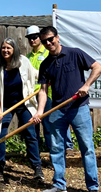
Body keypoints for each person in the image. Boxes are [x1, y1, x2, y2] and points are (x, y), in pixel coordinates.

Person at [30, 26, 101, 192]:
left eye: (51, 39)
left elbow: (97, 68)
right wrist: (40, 111)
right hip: (58, 110)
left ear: (57, 37)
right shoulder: (46, 64)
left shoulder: (75, 54)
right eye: (45, 41)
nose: (48, 43)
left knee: (87, 148)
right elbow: (42, 91)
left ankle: (93, 187)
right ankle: (59, 185)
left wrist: (86, 85)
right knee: (56, 147)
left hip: (79, 108)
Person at [0, 37, 44, 179]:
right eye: (3, 47)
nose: (5, 50)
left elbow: (35, 74)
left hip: (24, 102)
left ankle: (37, 167)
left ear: (14, 50)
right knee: (0, 133)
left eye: (9, 48)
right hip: (5, 104)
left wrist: (48, 78)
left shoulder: (23, 62)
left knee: (30, 132)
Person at [26, 25, 74, 156]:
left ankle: (55, 151)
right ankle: (37, 153)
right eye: (29, 38)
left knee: (49, 126)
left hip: (48, 95)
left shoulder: (48, 52)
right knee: (33, 125)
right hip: (31, 95)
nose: (32, 40)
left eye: (35, 37)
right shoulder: (28, 57)